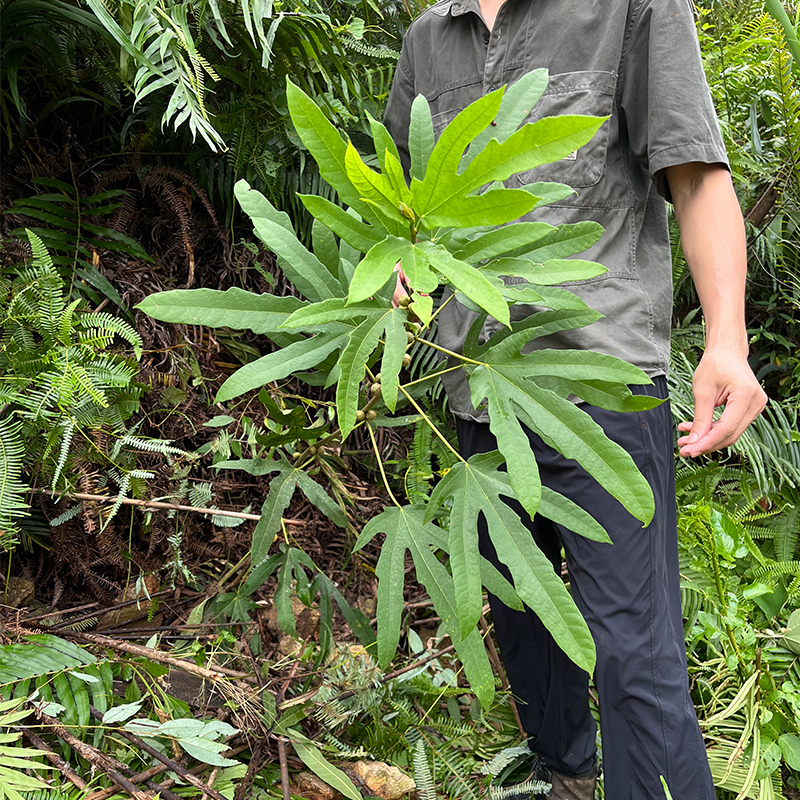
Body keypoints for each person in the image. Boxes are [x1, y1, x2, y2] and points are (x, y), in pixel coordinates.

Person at [382, 0, 768, 797]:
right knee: (523, 625)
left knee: (634, 650)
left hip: (600, 386)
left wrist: (726, 338)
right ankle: (568, 777)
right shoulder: (428, 39)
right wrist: (398, 285)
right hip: (473, 392)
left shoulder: (632, 7)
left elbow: (695, 175)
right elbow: (411, 215)